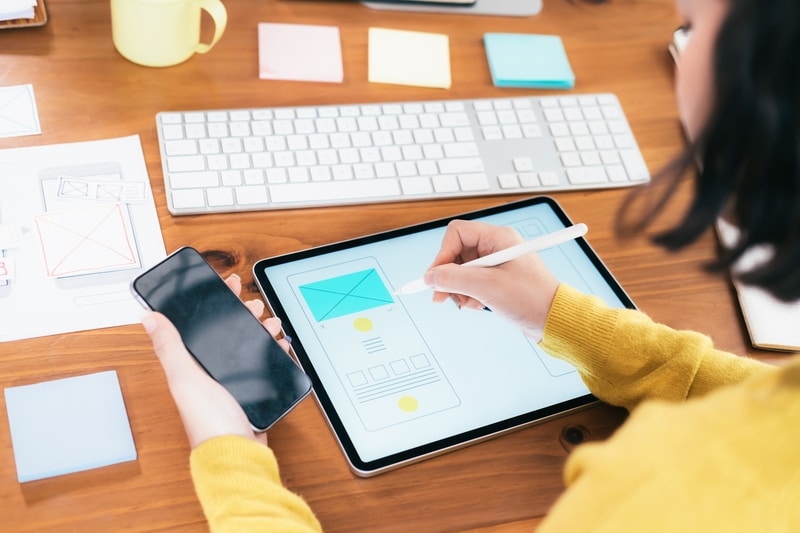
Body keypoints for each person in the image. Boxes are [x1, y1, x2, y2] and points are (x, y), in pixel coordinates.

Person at [141, 0, 800, 530]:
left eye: (690, 27)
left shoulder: (652, 490)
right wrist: (559, 314)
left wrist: (228, 452)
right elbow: (746, 400)